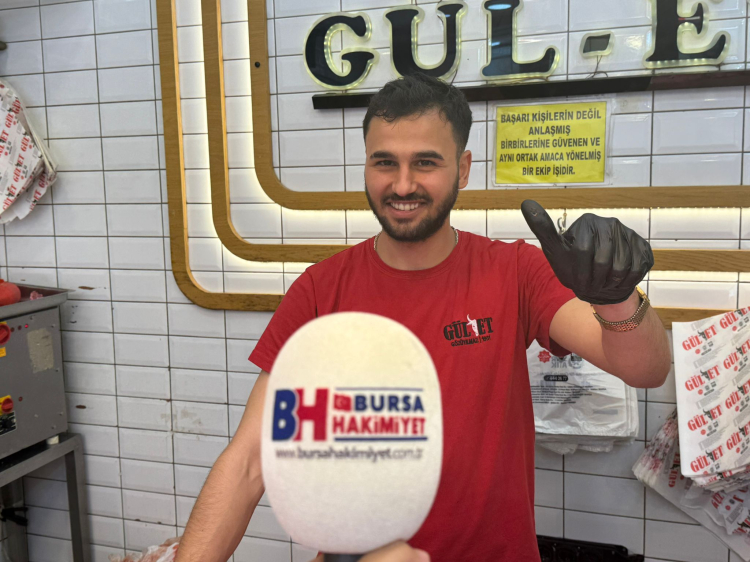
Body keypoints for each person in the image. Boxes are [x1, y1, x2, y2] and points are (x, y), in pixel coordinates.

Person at [175, 73, 671, 562]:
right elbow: (249, 460)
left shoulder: (515, 270)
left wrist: (616, 298)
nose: (402, 184)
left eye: (425, 162)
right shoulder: (321, 291)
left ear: (463, 169)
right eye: (384, 162)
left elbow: (644, 369)